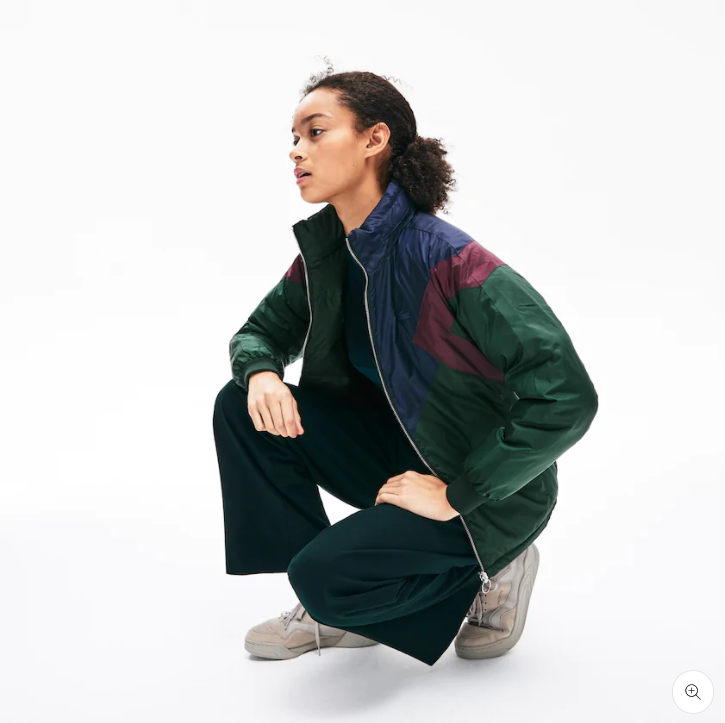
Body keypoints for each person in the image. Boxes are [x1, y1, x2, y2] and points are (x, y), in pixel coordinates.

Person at [213, 66, 598, 666]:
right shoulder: (329, 253)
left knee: (324, 576)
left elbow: (568, 396)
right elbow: (259, 334)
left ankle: (497, 561)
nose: (296, 151)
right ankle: (335, 601)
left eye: (316, 132)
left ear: (374, 139)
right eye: (294, 137)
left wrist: (460, 493)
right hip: (397, 454)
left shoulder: (449, 259)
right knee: (241, 405)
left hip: (485, 488)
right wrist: (262, 372)